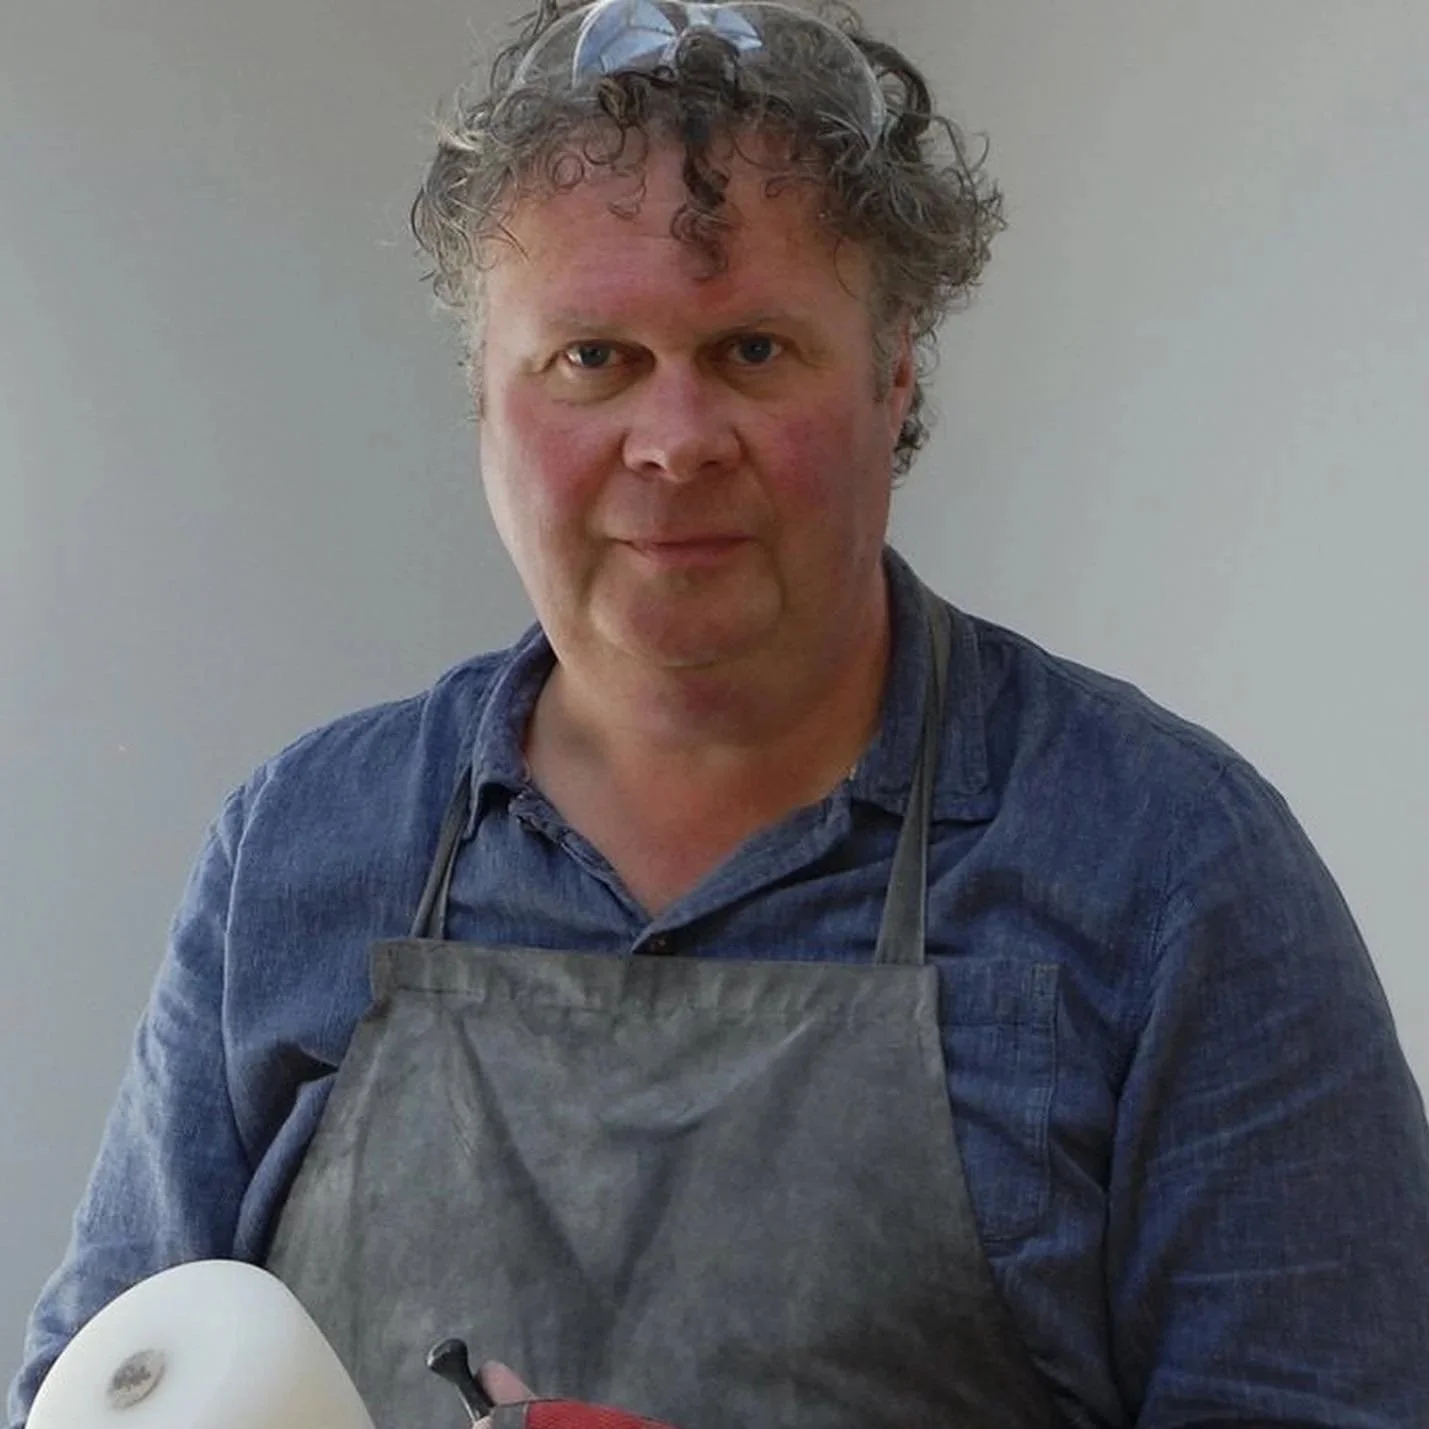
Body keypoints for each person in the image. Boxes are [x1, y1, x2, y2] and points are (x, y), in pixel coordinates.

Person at [9, 0, 1429, 1425]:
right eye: (593, 357)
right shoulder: (295, 850)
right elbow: (93, 1387)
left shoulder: (1174, 873)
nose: (676, 443)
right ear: (484, 395)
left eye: (753, 350)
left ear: (894, 374)